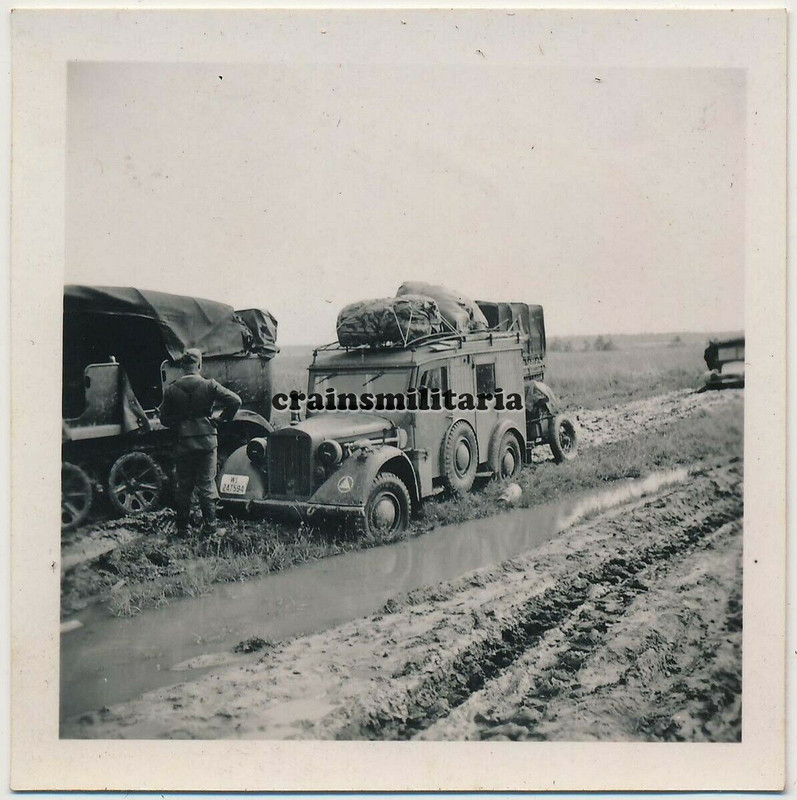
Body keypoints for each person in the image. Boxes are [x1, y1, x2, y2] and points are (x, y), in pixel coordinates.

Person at [159, 348, 241, 536]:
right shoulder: (210, 385)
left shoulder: (172, 389)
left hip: (183, 443)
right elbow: (235, 401)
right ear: (199, 365)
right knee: (206, 484)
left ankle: (183, 529)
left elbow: (163, 419)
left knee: (184, 486)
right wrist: (220, 420)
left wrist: (180, 425)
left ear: (182, 366)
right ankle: (211, 528)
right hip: (206, 441)